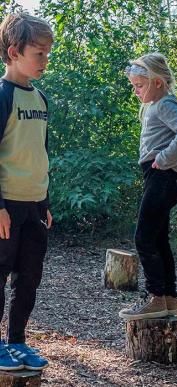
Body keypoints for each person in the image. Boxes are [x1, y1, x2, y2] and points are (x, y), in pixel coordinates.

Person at [119, 53, 177, 321]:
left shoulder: (164, 104)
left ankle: (154, 296)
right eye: (134, 85)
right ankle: (168, 300)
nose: (136, 90)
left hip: (164, 178)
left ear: (157, 82)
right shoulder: (154, 105)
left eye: (139, 85)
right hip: (161, 179)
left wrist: (164, 159)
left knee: (143, 237)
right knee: (159, 239)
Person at [0, 13, 53, 370]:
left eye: (48, 53)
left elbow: (40, 153)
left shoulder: (41, 99)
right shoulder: (3, 96)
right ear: (14, 51)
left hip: (35, 206)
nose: (45, 60)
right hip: (6, 207)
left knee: (29, 278)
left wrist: (45, 202)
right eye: (39, 53)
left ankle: (17, 341)